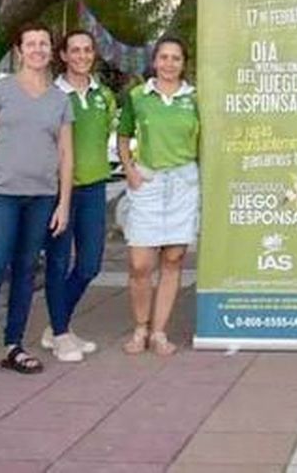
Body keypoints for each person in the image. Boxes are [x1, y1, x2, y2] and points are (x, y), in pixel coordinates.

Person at [0, 24, 73, 384]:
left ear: (51, 51)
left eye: (43, 43)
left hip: (41, 197)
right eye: (31, 44)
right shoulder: (0, 90)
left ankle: (13, 345)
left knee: (25, 271)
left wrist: (63, 203)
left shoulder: (60, 99)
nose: (37, 49)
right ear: (20, 51)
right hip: (1, 195)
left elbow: (67, 155)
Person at [118, 36, 200, 356]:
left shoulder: (194, 99)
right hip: (148, 182)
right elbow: (123, 135)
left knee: (173, 258)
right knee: (140, 263)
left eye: (175, 58)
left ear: (183, 63)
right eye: (163, 57)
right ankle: (139, 327)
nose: (169, 64)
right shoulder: (138, 96)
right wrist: (129, 169)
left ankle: (159, 332)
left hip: (183, 181)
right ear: (154, 61)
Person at [41, 29, 118, 362]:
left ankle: (57, 325)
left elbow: (103, 136)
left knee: (89, 265)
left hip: (94, 187)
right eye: (75, 50)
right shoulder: (52, 95)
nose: (82, 56)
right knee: (57, 263)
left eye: (88, 50)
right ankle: (60, 334)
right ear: (63, 56)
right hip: (59, 191)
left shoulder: (104, 96)